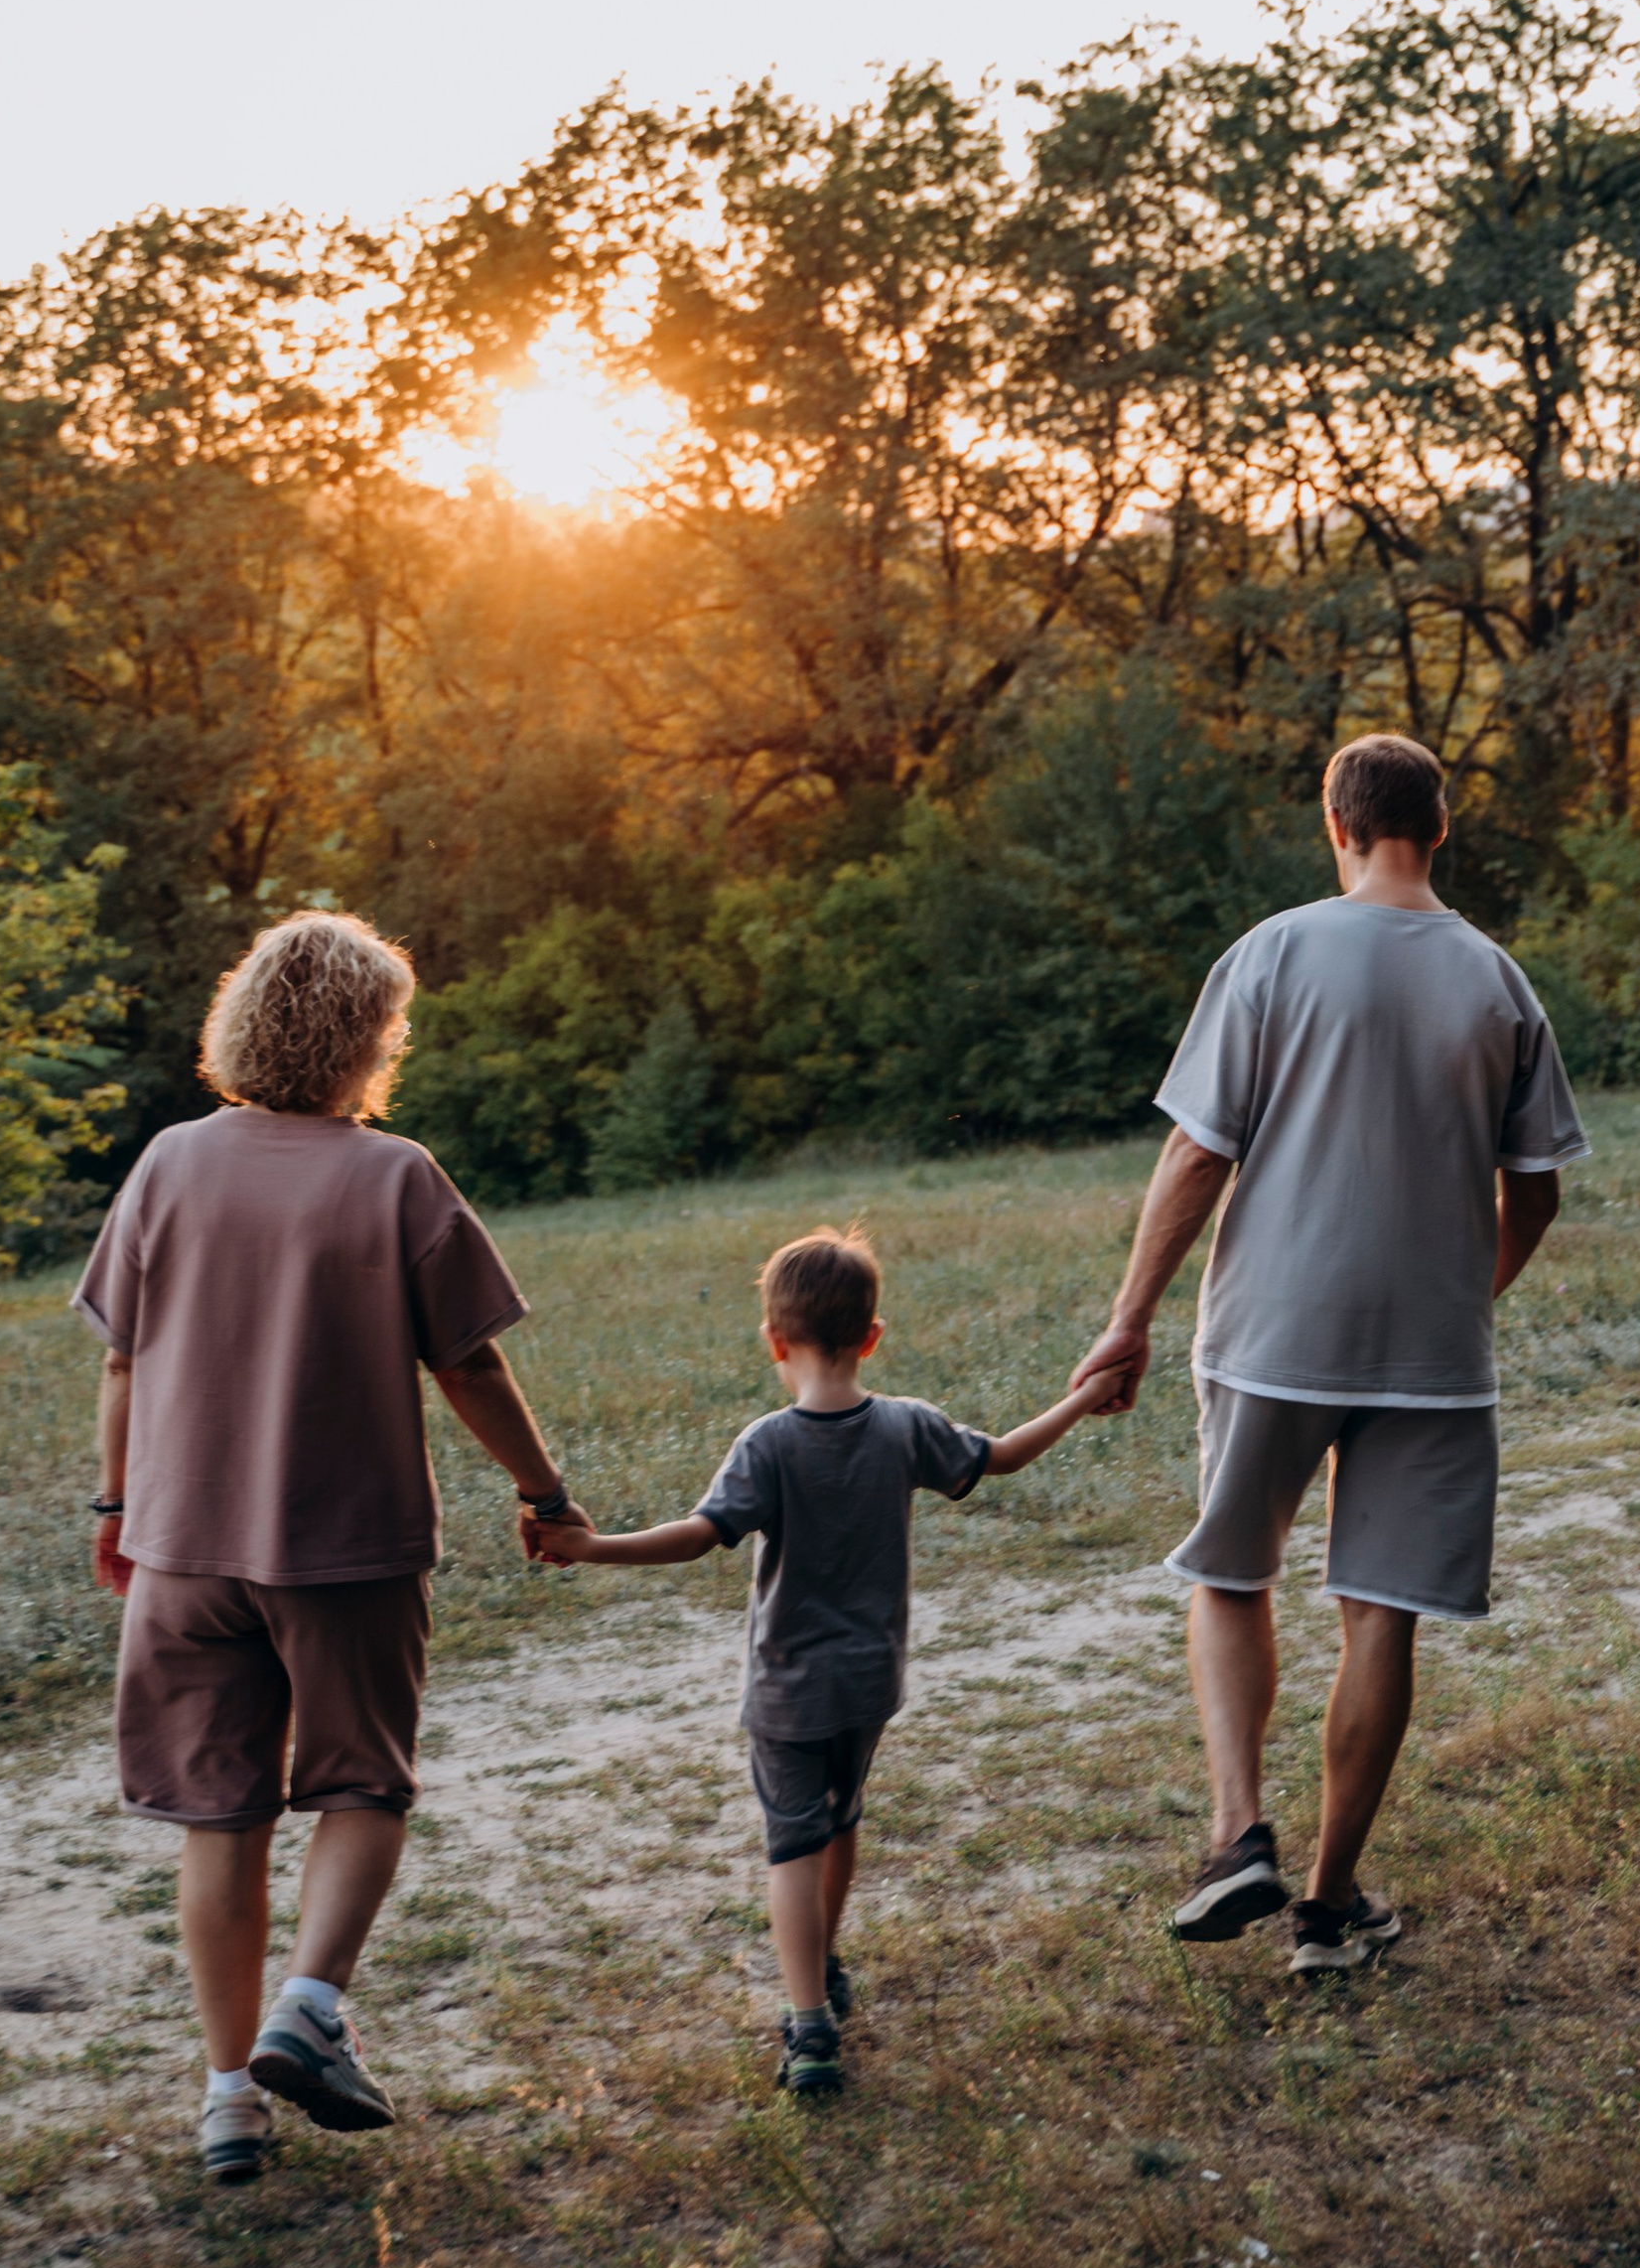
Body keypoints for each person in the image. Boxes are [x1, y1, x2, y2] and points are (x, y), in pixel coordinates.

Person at [76, 910, 586, 2183]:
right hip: (345, 1550)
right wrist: (542, 1487)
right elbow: (468, 1363)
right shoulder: (396, 1176)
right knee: (362, 1784)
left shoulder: (168, 1162)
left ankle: (227, 2100)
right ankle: (309, 2007)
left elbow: (123, 1359)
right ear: (368, 1038)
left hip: (182, 1548)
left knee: (220, 1814)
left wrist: (114, 1508)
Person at [1070, 731, 1585, 1973]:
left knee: (1231, 1570)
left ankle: (1235, 1833)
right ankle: (1326, 1905)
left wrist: (1130, 1315)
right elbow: (1536, 1186)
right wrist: (1471, 1289)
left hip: (1272, 1329)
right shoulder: (1499, 981)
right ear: (1440, 828)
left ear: (1336, 825)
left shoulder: (1272, 951)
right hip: (1432, 1350)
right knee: (1380, 1614)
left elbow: (1198, 1150)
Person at [526, 1220, 1103, 2096]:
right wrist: (1084, 1396)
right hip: (871, 1681)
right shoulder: (907, 1427)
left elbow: (700, 1536)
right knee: (841, 1821)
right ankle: (824, 1965)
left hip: (789, 1690)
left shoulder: (768, 1443)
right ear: (872, 1336)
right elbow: (1004, 1456)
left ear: (773, 1341)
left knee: (793, 1842)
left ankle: (807, 2023)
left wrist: (595, 1547)